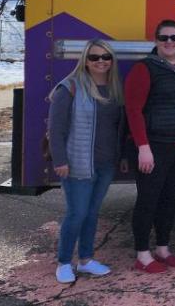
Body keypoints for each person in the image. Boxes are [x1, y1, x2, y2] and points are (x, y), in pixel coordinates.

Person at [126, 20, 175, 273]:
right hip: (156, 146)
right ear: (156, 40)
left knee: (170, 199)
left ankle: (162, 248)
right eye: (164, 37)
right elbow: (134, 111)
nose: (169, 42)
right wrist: (143, 147)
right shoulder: (144, 68)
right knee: (148, 199)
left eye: (174, 37)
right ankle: (142, 253)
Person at [49, 39, 124, 283]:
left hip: (105, 164)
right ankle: (63, 263)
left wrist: (120, 157)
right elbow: (56, 129)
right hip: (78, 162)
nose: (100, 61)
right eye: (94, 57)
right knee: (77, 213)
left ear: (112, 60)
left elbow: (117, 128)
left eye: (106, 56)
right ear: (85, 60)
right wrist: (60, 160)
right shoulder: (69, 87)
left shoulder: (114, 88)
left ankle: (86, 260)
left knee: (92, 213)